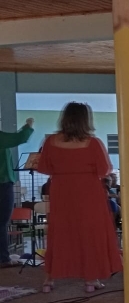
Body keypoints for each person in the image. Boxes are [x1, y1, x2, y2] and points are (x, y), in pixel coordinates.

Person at [37, 103, 122, 292]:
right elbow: (104, 169)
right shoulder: (93, 143)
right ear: (86, 119)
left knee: (60, 232)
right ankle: (90, 280)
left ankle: (49, 280)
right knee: (89, 233)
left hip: (61, 191)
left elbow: (44, 168)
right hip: (88, 192)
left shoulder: (50, 142)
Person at [0, 117, 34, 268]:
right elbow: (19, 138)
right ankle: (3, 258)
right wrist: (28, 126)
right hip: (2, 183)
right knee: (2, 222)